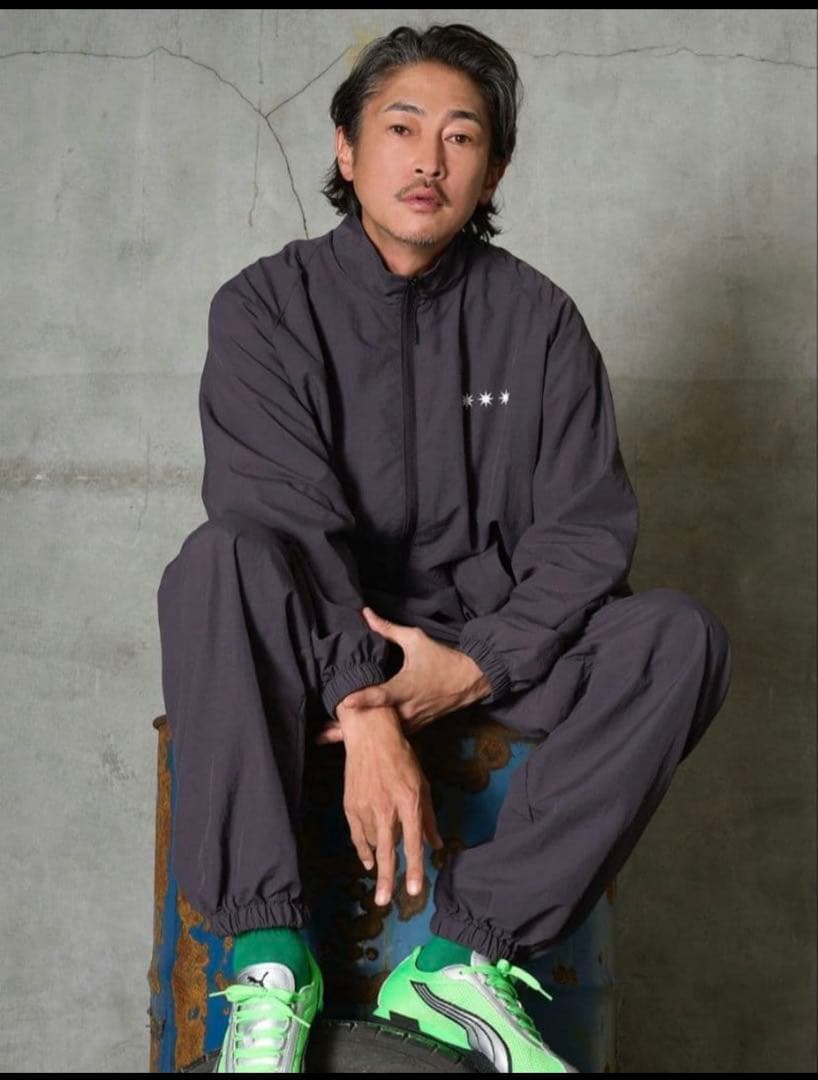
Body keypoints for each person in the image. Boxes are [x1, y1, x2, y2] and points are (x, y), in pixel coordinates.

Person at [156, 21, 733, 1074]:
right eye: (401, 127)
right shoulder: (265, 309)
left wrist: (472, 665)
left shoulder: (538, 323)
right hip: (313, 647)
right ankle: (271, 961)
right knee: (216, 560)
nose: (429, 159)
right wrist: (363, 701)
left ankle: (463, 964)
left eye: (462, 136)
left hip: (491, 651)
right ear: (346, 149)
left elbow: (582, 534)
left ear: (492, 170)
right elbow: (279, 514)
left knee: (675, 636)